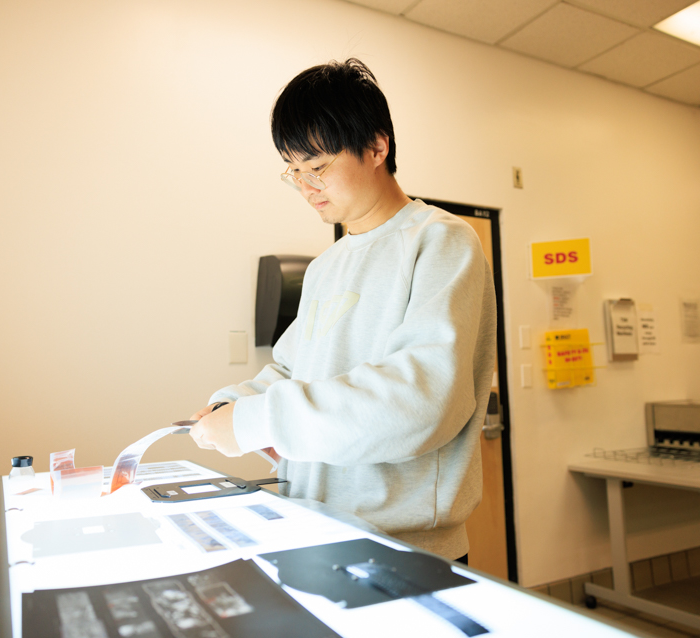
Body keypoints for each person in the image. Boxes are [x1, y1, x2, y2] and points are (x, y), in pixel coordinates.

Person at [189, 58, 496, 562]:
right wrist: (233, 403)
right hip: (311, 527)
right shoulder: (325, 267)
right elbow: (293, 370)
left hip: (406, 548)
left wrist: (258, 421)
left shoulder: (440, 241)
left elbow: (419, 399)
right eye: (293, 171)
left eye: (318, 167)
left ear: (377, 146)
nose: (306, 187)